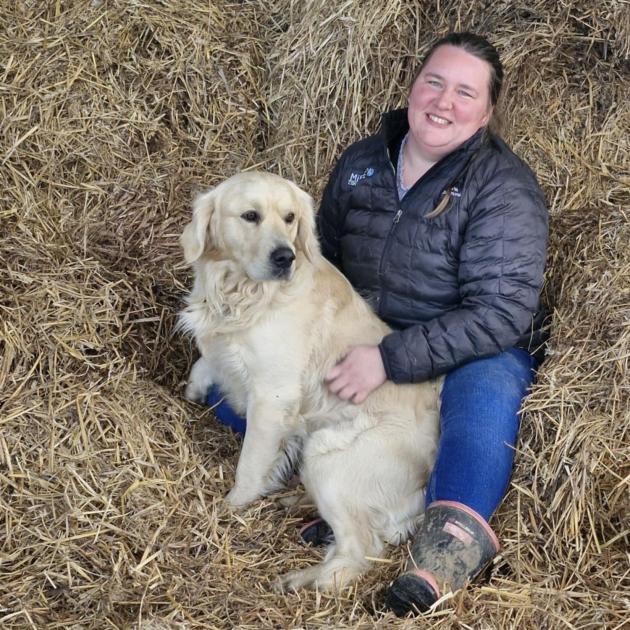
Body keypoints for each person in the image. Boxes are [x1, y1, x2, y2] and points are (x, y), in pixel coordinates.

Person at [207, 31, 548, 616]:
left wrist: (388, 359)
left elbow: (499, 313)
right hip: (366, 328)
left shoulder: (502, 188)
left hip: (470, 345)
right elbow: (322, 260)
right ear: (413, 86)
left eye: (465, 92)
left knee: (484, 397)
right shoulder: (364, 162)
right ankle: (356, 489)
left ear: (487, 111)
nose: (443, 101)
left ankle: (445, 544)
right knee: (226, 388)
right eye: (434, 81)